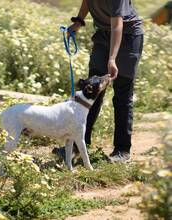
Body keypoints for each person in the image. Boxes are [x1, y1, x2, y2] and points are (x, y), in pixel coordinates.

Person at [53, 0, 144, 162]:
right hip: (103, 34)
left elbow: (117, 26)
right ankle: (78, 146)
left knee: (122, 94)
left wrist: (112, 59)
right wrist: (79, 22)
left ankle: (122, 151)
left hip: (128, 36)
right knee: (91, 90)